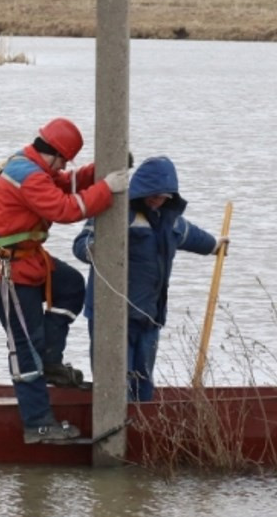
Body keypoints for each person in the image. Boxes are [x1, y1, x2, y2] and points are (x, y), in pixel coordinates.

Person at [0, 118, 129, 443]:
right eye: (65, 161)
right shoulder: (27, 176)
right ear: (55, 154)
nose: (65, 167)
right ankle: (38, 424)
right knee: (25, 347)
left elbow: (65, 183)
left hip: (24, 260)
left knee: (70, 286)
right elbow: (66, 209)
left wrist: (102, 169)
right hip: (4, 271)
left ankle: (50, 361)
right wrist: (106, 189)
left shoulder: (30, 165)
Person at [72, 156, 227, 402]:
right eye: (153, 194)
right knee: (114, 382)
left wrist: (214, 246)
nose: (157, 199)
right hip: (111, 317)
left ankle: (141, 427)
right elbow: (80, 245)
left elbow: (193, 236)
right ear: (140, 190)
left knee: (143, 380)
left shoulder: (170, 222)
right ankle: (111, 429)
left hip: (149, 316)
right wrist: (95, 249)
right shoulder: (114, 212)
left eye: (163, 195)